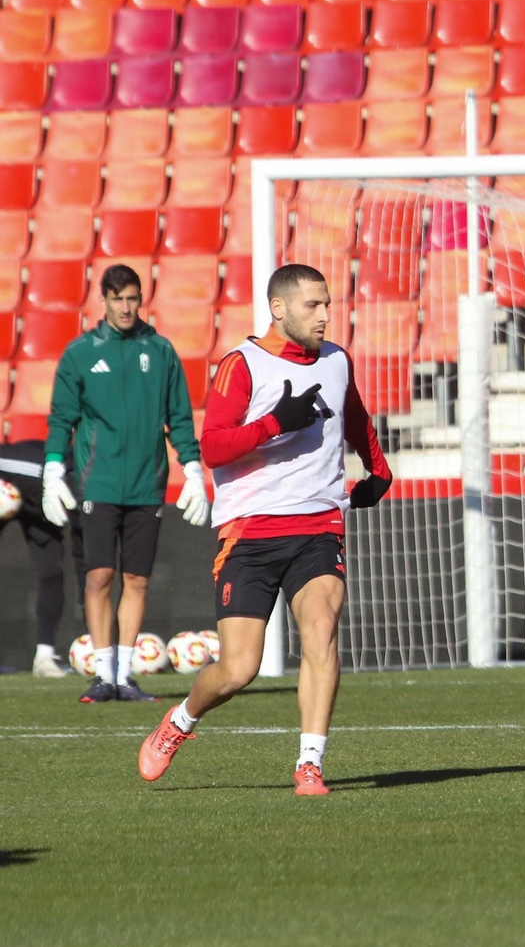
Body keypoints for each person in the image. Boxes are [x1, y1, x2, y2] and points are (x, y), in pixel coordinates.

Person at [138, 263, 391, 796]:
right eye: (312, 306)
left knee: (321, 632)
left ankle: (310, 764)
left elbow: (356, 417)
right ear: (279, 309)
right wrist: (277, 421)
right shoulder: (242, 364)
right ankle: (181, 721)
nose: (325, 315)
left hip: (319, 522)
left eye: (326, 304)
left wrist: (379, 469)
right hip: (250, 532)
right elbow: (213, 448)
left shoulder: (337, 360)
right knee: (238, 671)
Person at [43, 263, 209, 703]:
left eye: (132, 298)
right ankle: (102, 674)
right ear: (104, 300)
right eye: (118, 299)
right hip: (98, 484)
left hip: (146, 484)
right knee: (99, 576)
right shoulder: (80, 352)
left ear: (141, 298)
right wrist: (52, 469)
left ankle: (123, 675)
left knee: (137, 579)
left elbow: (179, 418)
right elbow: (62, 417)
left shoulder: (160, 351)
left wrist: (192, 469)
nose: (126, 307)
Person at [0, 440, 86, 678]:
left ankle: (45, 657)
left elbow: (83, 554)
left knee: (52, 572)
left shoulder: (87, 490)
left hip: (38, 505)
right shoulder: (37, 468)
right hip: (12, 485)